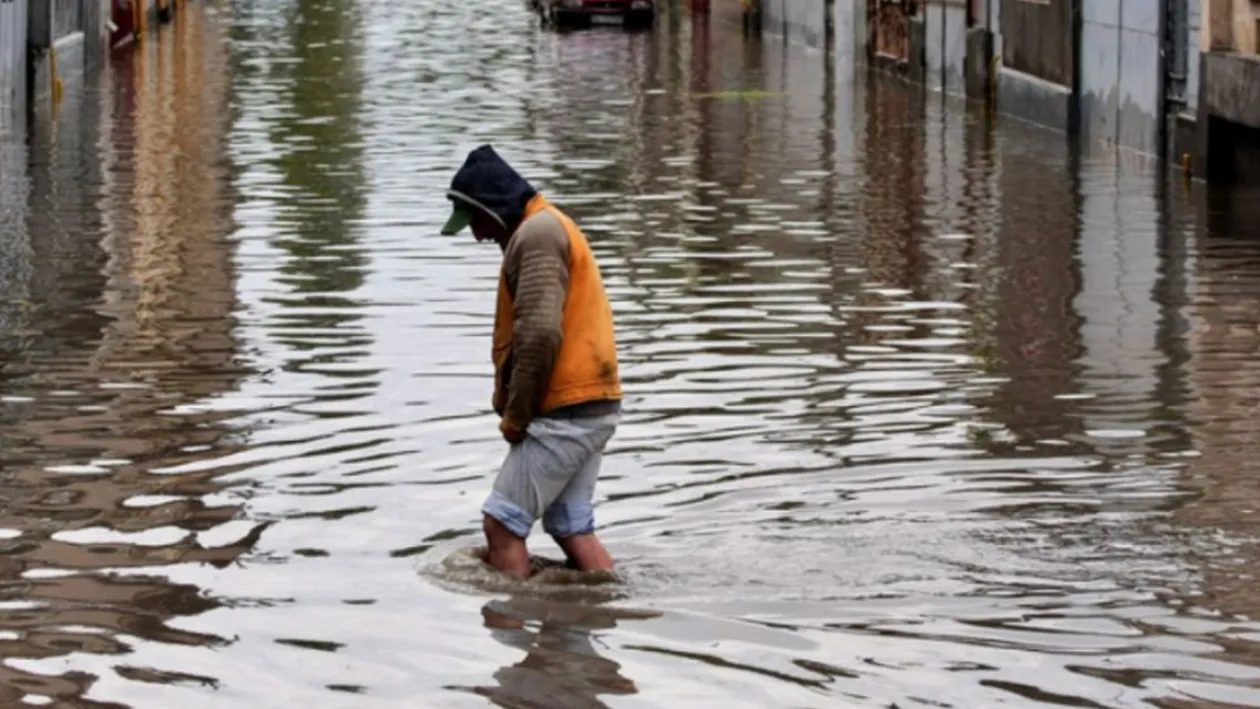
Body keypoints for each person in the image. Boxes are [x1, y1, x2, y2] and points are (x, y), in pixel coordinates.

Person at [440, 144, 623, 578]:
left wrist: (517, 416)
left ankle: (514, 631)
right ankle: (604, 611)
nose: (478, 236)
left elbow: (539, 335)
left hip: (568, 407)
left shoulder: (537, 234)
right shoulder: (546, 227)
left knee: (501, 525)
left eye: (477, 222)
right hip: (593, 403)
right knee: (569, 525)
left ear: (495, 208)